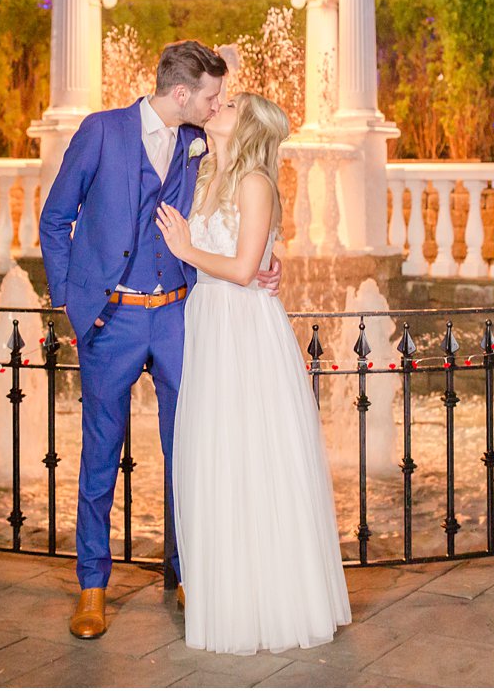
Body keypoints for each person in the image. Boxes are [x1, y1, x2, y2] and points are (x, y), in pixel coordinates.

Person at [39, 41, 281, 640]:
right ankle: (92, 588)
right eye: (210, 95)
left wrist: (275, 263)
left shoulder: (203, 145)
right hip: (110, 320)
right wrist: (72, 302)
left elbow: (246, 205)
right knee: (100, 458)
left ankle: (184, 573)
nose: (217, 103)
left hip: (180, 318)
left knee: (189, 454)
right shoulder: (100, 131)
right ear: (182, 95)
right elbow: (55, 218)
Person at [155, 92, 351, 655]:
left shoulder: (255, 183)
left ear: (248, 128)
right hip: (212, 324)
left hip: (244, 328)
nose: (220, 105)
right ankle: (228, 594)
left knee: (254, 459)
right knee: (217, 461)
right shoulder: (205, 174)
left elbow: (243, 270)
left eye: (233, 104)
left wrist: (188, 250)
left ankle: (271, 601)